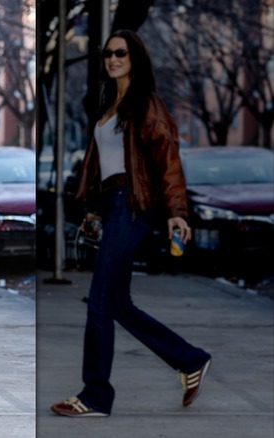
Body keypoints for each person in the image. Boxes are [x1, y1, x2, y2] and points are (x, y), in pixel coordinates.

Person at [51, 29, 211, 418]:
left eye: (120, 53)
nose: (112, 59)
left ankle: (95, 395)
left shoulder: (146, 105)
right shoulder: (110, 104)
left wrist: (177, 212)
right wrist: (93, 210)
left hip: (132, 204)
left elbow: (168, 161)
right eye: (108, 53)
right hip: (111, 203)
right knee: (118, 303)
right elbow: (102, 165)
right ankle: (189, 360)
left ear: (135, 58)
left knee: (99, 299)